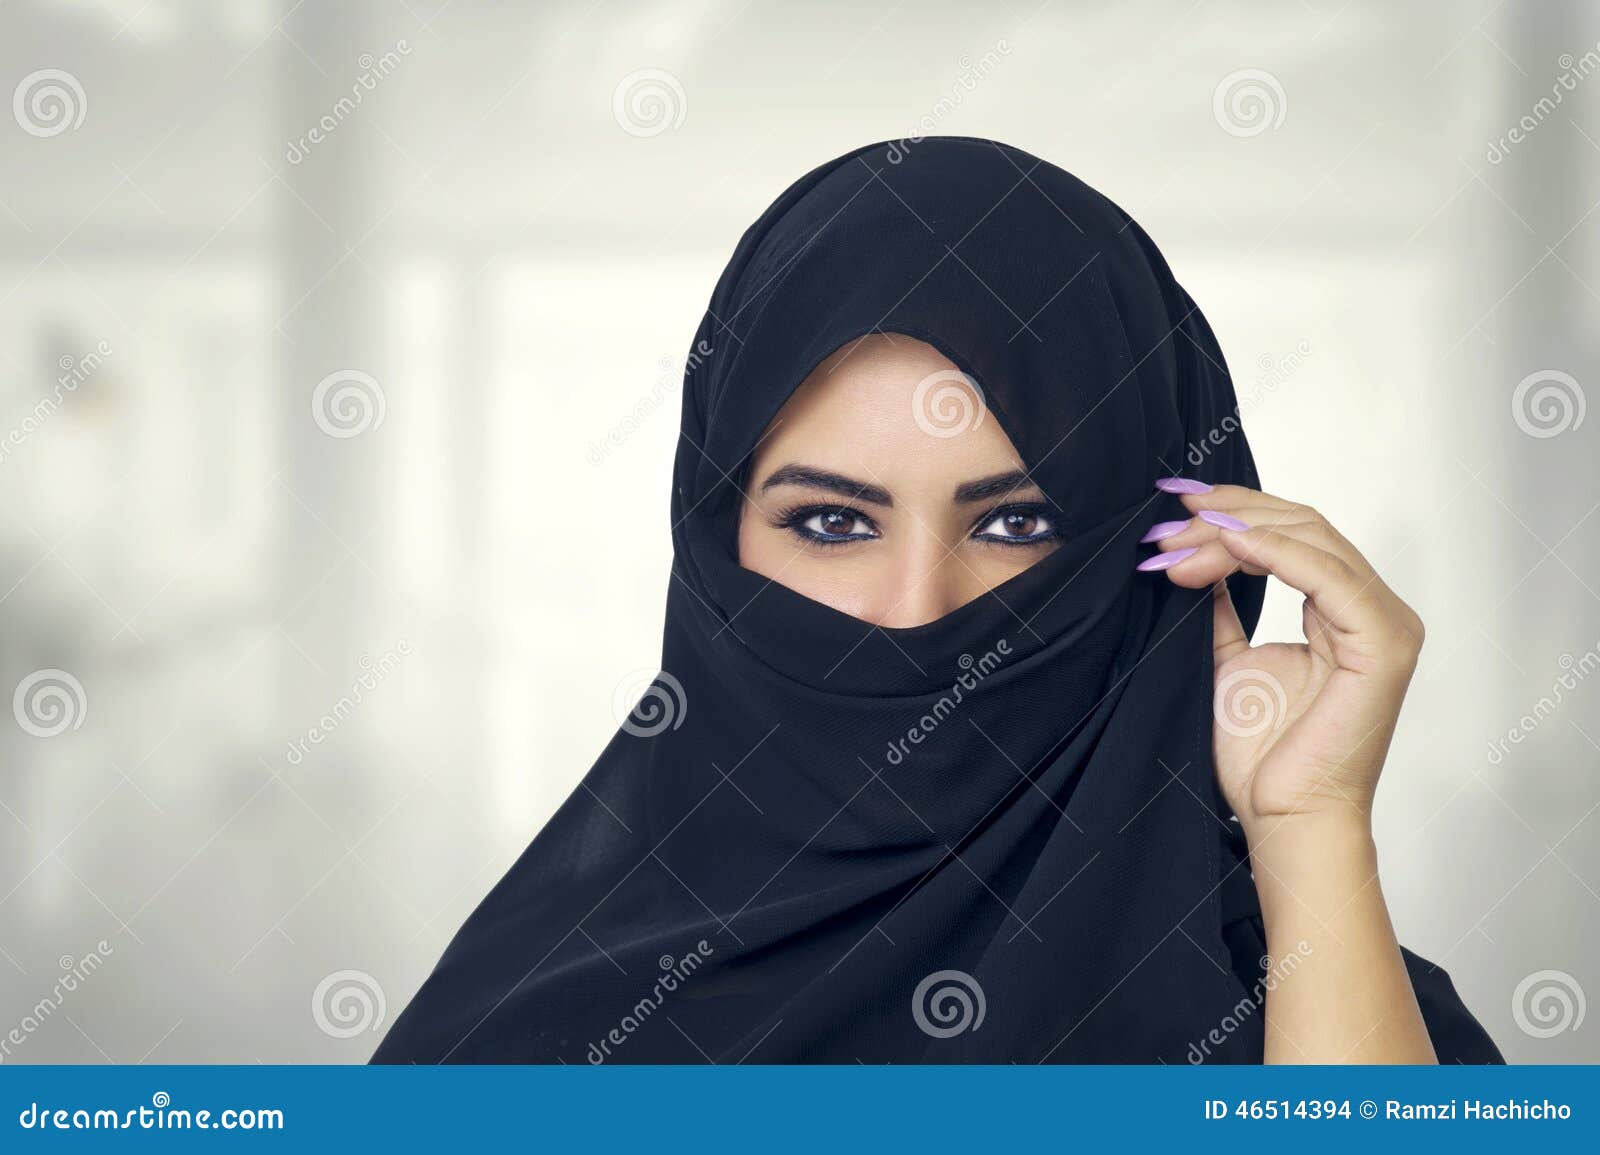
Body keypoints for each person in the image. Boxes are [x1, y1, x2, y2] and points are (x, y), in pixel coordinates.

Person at [373, 137, 1500, 1064]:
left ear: (1154, 548)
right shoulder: (528, 1035)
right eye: (832, 523)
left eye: (1015, 524)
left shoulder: (1332, 1003)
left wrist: (1308, 826)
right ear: (716, 551)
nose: (916, 609)